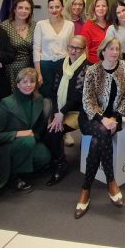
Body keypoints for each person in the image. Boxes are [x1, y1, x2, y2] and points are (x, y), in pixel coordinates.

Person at [75, 37, 125, 219]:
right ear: (103, 51)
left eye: (117, 48)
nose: (115, 52)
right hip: (91, 118)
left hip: (114, 118)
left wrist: (115, 119)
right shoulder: (92, 70)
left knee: (98, 139)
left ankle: (86, 189)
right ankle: (111, 181)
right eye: (111, 49)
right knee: (101, 132)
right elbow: (87, 101)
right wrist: (103, 119)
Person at [0, 68, 52, 192]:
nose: (28, 85)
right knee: (28, 142)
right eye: (24, 82)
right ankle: (14, 177)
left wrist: (34, 137)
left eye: (31, 82)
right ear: (18, 84)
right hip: (8, 145)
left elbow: (39, 126)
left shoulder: (38, 99)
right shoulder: (6, 103)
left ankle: (22, 169)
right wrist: (18, 134)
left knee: (44, 156)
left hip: (28, 142)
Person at [44, 36, 90, 185]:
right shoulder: (61, 65)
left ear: (83, 50)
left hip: (80, 111)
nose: (73, 51)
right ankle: (58, 160)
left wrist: (61, 113)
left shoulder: (87, 68)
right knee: (50, 130)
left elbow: (77, 96)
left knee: (54, 131)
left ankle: (60, 166)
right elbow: (54, 90)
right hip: (62, 109)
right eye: (71, 47)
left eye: (77, 48)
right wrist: (57, 112)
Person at [33, 0, 74, 106]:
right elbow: (36, 49)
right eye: (51, 7)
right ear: (48, 8)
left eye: (57, 7)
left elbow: (71, 48)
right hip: (45, 65)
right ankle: (46, 121)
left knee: (61, 94)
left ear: (62, 7)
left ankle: (58, 119)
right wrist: (38, 72)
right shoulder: (41, 25)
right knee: (45, 96)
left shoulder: (70, 25)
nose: (54, 10)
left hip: (63, 63)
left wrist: (71, 67)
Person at [0, 0, 36, 90]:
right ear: (14, 9)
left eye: (27, 8)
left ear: (30, 11)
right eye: (20, 7)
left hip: (29, 69)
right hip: (10, 69)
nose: (23, 11)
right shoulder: (4, 26)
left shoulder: (35, 26)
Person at [81, 0, 111, 64]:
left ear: (107, 8)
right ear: (93, 8)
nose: (101, 8)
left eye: (104, 6)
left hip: (110, 63)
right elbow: (84, 48)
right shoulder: (88, 25)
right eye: (98, 6)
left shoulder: (111, 24)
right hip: (93, 64)